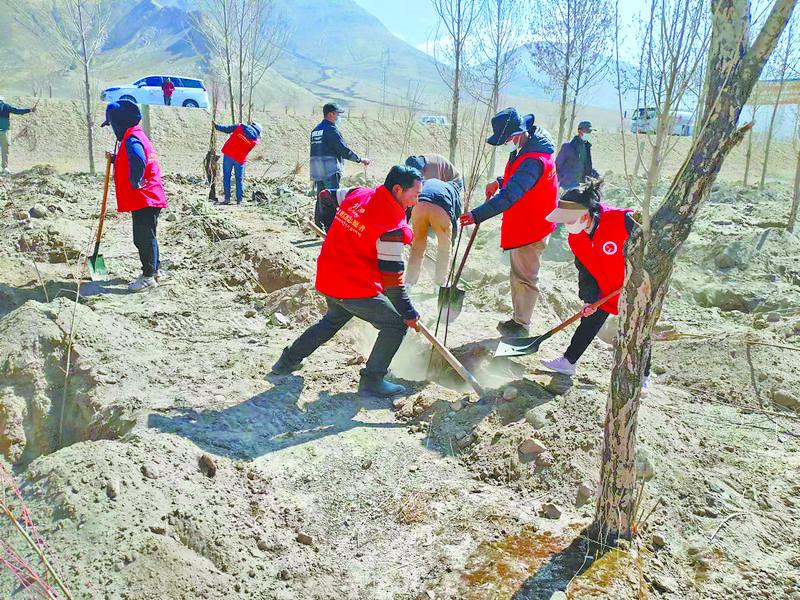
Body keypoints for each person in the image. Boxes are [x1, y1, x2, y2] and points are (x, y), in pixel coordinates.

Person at [272, 165, 423, 398]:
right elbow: (392, 283)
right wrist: (409, 313)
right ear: (397, 190)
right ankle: (372, 380)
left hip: (329, 273)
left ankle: (287, 361)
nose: (416, 201)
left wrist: (332, 227)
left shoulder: (359, 193)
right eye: (415, 195)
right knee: (395, 324)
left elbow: (326, 196)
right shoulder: (392, 228)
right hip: (351, 285)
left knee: (333, 319)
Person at [541, 179, 651, 392]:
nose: (565, 225)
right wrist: (589, 299)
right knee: (589, 321)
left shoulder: (623, 220)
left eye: (568, 219)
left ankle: (643, 376)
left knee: (638, 330)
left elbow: (650, 246)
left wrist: (642, 277)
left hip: (635, 288)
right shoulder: (576, 239)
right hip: (606, 290)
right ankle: (568, 362)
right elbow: (585, 270)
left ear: (585, 214)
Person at [459, 107, 558, 338]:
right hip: (530, 222)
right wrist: (499, 181)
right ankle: (519, 320)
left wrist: (477, 215)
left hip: (532, 227)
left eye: (507, 138)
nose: (506, 143)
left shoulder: (534, 160)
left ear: (518, 133)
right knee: (520, 276)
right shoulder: (531, 147)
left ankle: (521, 326)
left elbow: (511, 195)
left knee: (525, 278)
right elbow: (520, 179)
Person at [101, 100, 168, 293]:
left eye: (112, 125)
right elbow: (132, 158)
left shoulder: (131, 139)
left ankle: (148, 277)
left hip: (144, 197)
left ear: (118, 123)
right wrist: (116, 159)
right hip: (150, 196)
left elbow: (138, 159)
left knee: (142, 238)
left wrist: (135, 181)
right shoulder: (137, 135)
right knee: (149, 236)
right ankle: (155, 271)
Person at [310, 102, 370, 230]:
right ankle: (331, 229)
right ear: (331, 114)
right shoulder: (331, 130)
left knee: (321, 197)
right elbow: (343, 150)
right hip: (330, 170)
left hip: (317, 170)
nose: (339, 117)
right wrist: (360, 159)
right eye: (337, 114)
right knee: (331, 198)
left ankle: (318, 226)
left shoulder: (316, 131)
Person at [405, 177, 462, 288]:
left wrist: (405, 223)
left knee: (418, 245)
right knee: (444, 248)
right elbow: (454, 220)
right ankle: (439, 285)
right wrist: (451, 242)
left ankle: (409, 284)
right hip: (441, 210)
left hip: (420, 205)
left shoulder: (429, 182)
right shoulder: (454, 192)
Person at [213, 120, 263, 205]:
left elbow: (226, 129)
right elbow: (247, 149)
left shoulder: (239, 126)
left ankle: (227, 199)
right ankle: (240, 200)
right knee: (239, 180)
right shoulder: (254, 141)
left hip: (228, 155)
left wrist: (216, 126)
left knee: (226, 177)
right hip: (240, 159)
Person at [555, 120, 598, 190]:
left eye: (590, 132)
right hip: (567, 187)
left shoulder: (587, 147)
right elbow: (557, 165)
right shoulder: (568, 147)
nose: (589, 134)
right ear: (580, 131)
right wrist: (562, 180)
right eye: (587, 131)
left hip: (582, 185)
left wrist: (597, 175)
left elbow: (587, 167)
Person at [0, 96, 36, 173]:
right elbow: (17, 111)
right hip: (4, 131)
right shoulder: (6, 106)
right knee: (4, 150)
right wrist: (30, 110)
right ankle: (4, 168)